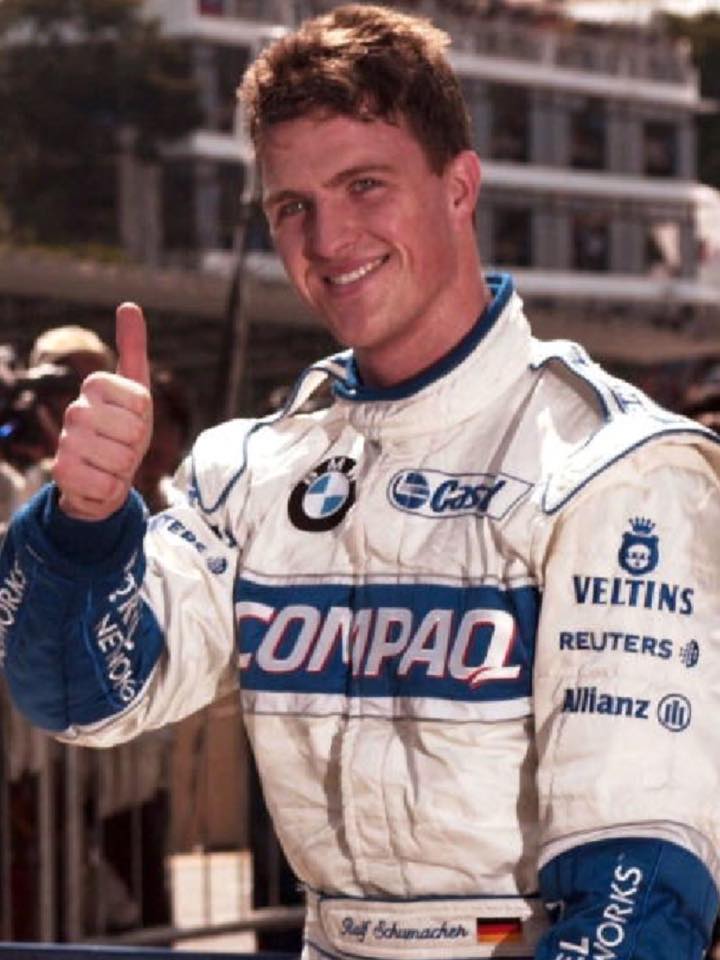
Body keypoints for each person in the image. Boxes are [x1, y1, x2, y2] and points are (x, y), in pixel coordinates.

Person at [1, 5, 720, 957]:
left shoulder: (612, 467)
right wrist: (85, 524)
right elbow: (86, 699)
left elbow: (640, 881)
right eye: (291, 205)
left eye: (364, 185)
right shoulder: (252, 467)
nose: (328, 237)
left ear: (459, 187)